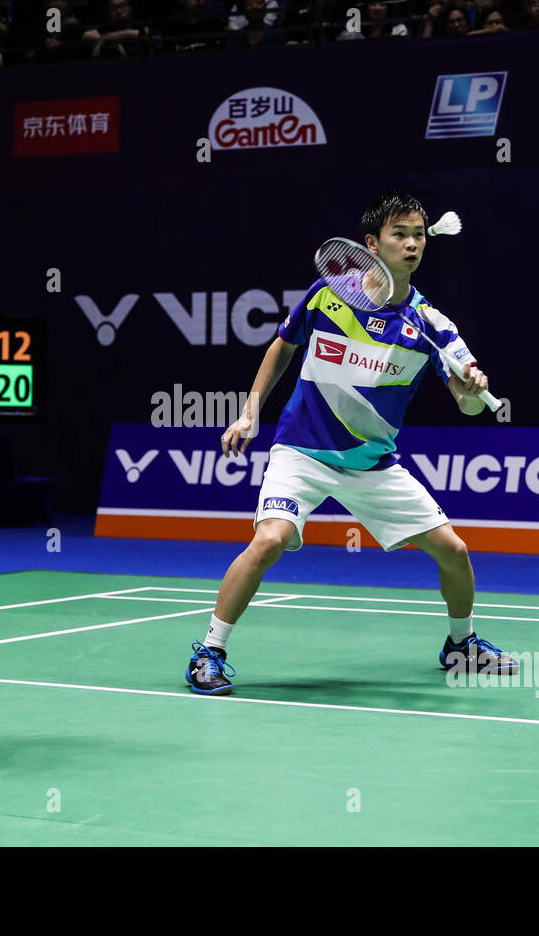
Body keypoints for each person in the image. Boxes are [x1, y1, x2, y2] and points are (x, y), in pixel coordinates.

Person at [185, 190, 519, 697]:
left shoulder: (433, 326)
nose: (411, 244)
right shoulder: (330, 294)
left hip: (372, 463)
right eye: (399, 234)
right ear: (372, 244)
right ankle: (209, 651)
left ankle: (461, 646)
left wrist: (472, 389)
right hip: (302, 450)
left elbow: (467, 405)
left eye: (419, 235)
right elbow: (283, 346)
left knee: (454, 550)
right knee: (270, 540)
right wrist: (250, 411)